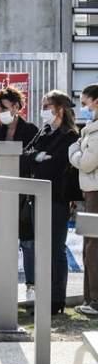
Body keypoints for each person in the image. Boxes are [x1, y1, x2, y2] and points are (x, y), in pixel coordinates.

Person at [20, 90, 80, 314]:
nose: (43, 110)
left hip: (56, 197)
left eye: (47, 106)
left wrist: (38, 160)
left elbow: (55, 166)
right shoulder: (44, 131)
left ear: (59, 109)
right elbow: (24, 158)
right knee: (41, 248)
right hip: (36, 196)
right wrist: (37, 157)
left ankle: (56, 300)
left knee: (55, 248)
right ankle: (43, 296)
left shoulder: (70, 136)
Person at [0, 86, 39, 301]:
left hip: (23, 191)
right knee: (1, 239)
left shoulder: (31, 130)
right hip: (1, 190)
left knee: (27, 241)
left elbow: (32, 160)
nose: (0, 112)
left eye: (4, 108)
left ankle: (31, 286)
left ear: (16, 107)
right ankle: (2, 286)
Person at [71, 83, 98, 315]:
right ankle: (91, 300)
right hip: (91, 192)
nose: (83, 109)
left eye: (84, 104)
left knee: (92, 246)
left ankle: (95, 301)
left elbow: (86, 163)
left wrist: (74, 150)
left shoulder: (95, 134)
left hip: (95, 195)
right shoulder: (91, 130)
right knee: (89, 246)